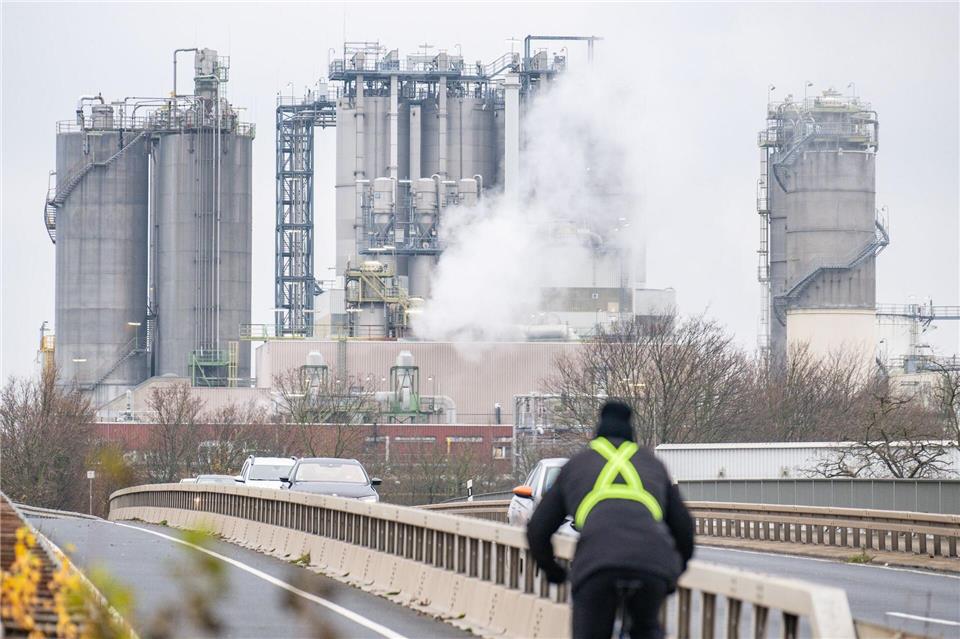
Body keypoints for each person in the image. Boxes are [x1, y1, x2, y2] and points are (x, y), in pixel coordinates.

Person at [526, 400, 695, 639]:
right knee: (646, 627)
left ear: (598, 430)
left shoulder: (577, 465)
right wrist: (675, 571)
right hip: (651, 565)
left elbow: (538, 530)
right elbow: (685, 530)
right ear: (631, 432)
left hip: (597, 565)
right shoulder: (653, 465)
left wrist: (553, 570)